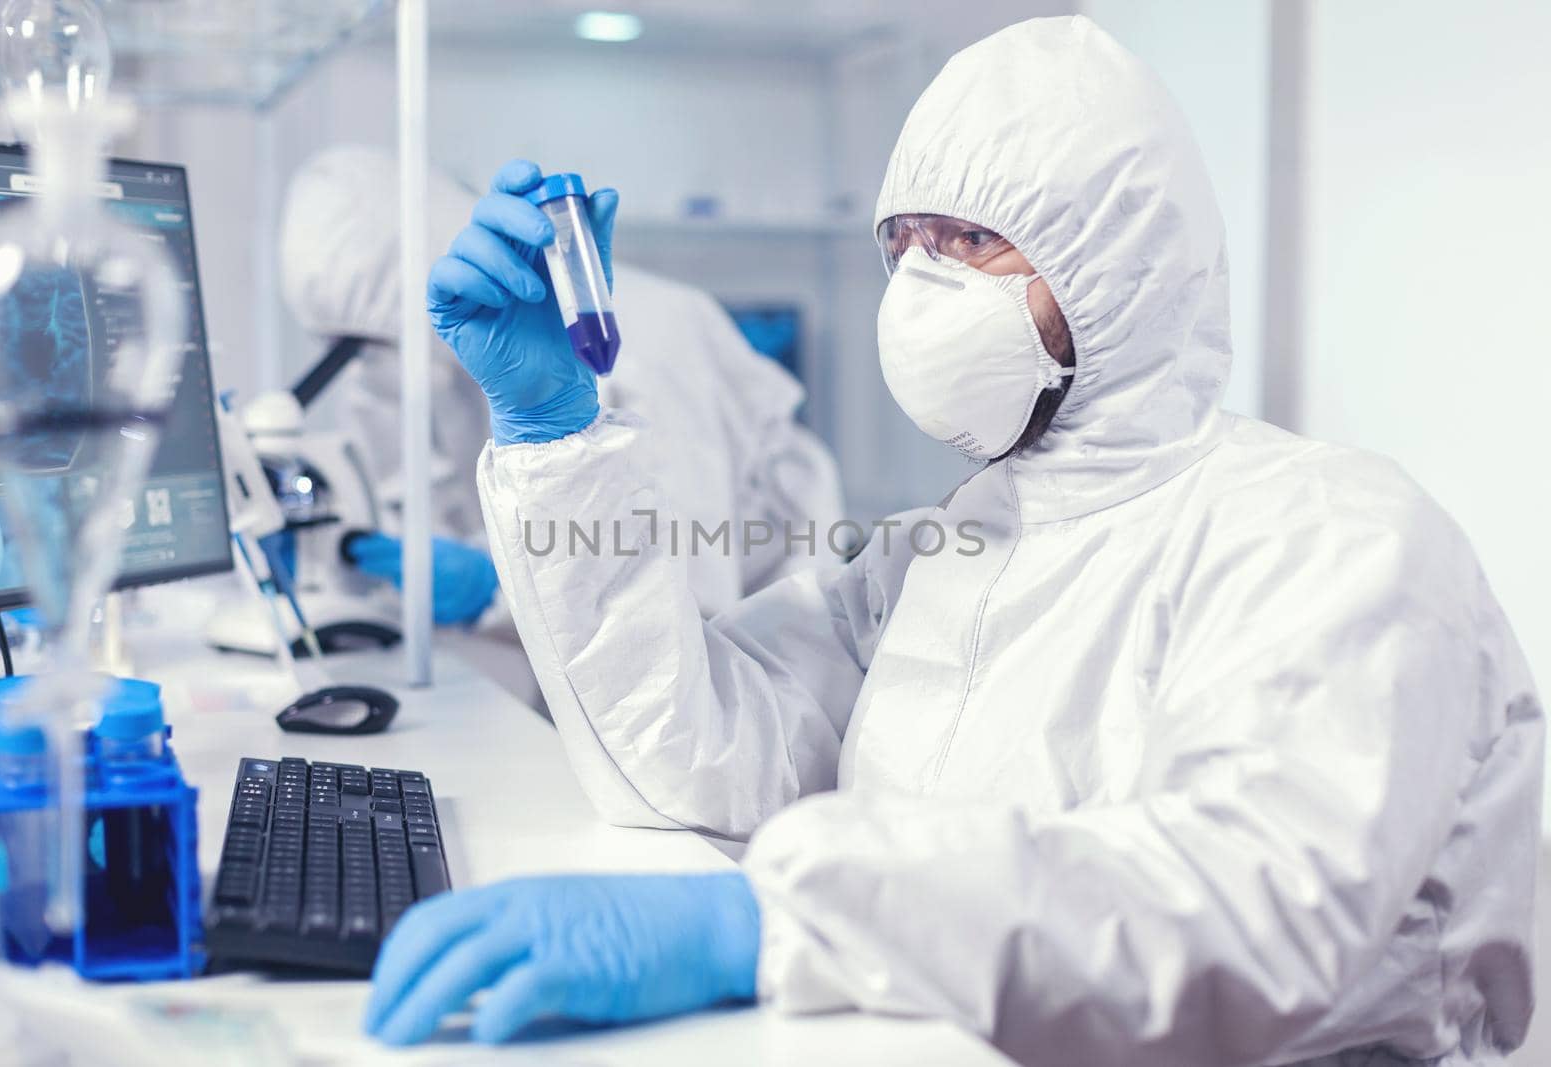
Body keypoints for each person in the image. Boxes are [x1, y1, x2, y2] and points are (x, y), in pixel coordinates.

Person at [363, 16, 1543, 1067]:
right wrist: (558, 432)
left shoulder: (1333, 537)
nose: (923, 285)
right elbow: (701, 755)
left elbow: (1244, 909)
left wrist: (782, 920)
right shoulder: (940, 549)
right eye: (907, 241)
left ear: (1116, 266)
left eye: (971, 241)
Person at [277, 145, 846, 635]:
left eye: (370, 348)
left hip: (754, 652)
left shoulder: (639, 342)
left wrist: (494, 590)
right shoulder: (421, 357)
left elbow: (682, 594)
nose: (370, 373)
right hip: (582, 674)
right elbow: (430, 498)